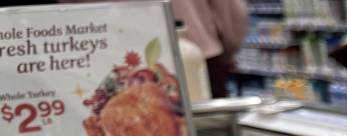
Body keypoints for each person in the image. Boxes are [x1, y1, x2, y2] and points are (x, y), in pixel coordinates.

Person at [60, 0, 248, 98]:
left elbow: (65, 14)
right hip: (195, 55)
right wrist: (228, 50)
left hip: (107, 63)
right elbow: (232, 11)